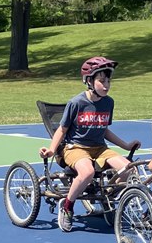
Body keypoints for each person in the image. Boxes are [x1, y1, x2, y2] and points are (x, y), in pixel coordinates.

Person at [40, 56, 141, 232]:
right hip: (75, 147)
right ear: (89, 81)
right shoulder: (76, 103)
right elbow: (62, 130)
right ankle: (67, 207)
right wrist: (51, 150)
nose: (106, 85)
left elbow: (105, 130)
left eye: (108, 80)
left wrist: (126, 146)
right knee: (88, 172)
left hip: (100, 148)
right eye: (101, 81)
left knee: (130, 169)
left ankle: (108, 197)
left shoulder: (108, 102)